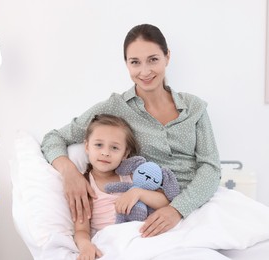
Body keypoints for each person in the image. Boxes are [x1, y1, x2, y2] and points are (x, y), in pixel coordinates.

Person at [41, 23, 221, 238]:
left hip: (199, 203)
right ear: (126, 64)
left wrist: (177, 210)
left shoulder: (194, 107)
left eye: (153, 59)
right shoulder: (116, 106)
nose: (145, 71)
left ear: (167, 57)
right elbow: (54, 138)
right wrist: (71, 174)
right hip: (148, 211)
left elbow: (210, 167)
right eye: (135, 62)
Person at [74, 114, 171, 260]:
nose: (105, 152)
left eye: (114, 148)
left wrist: (138, 193)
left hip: (142, 235)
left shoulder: (132, 176)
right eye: (99, 145)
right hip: (113, 240)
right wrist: (86, 246)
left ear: (125, 153)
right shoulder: (84, 185)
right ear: (87, 146)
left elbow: (164, 202)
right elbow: (81, 230)